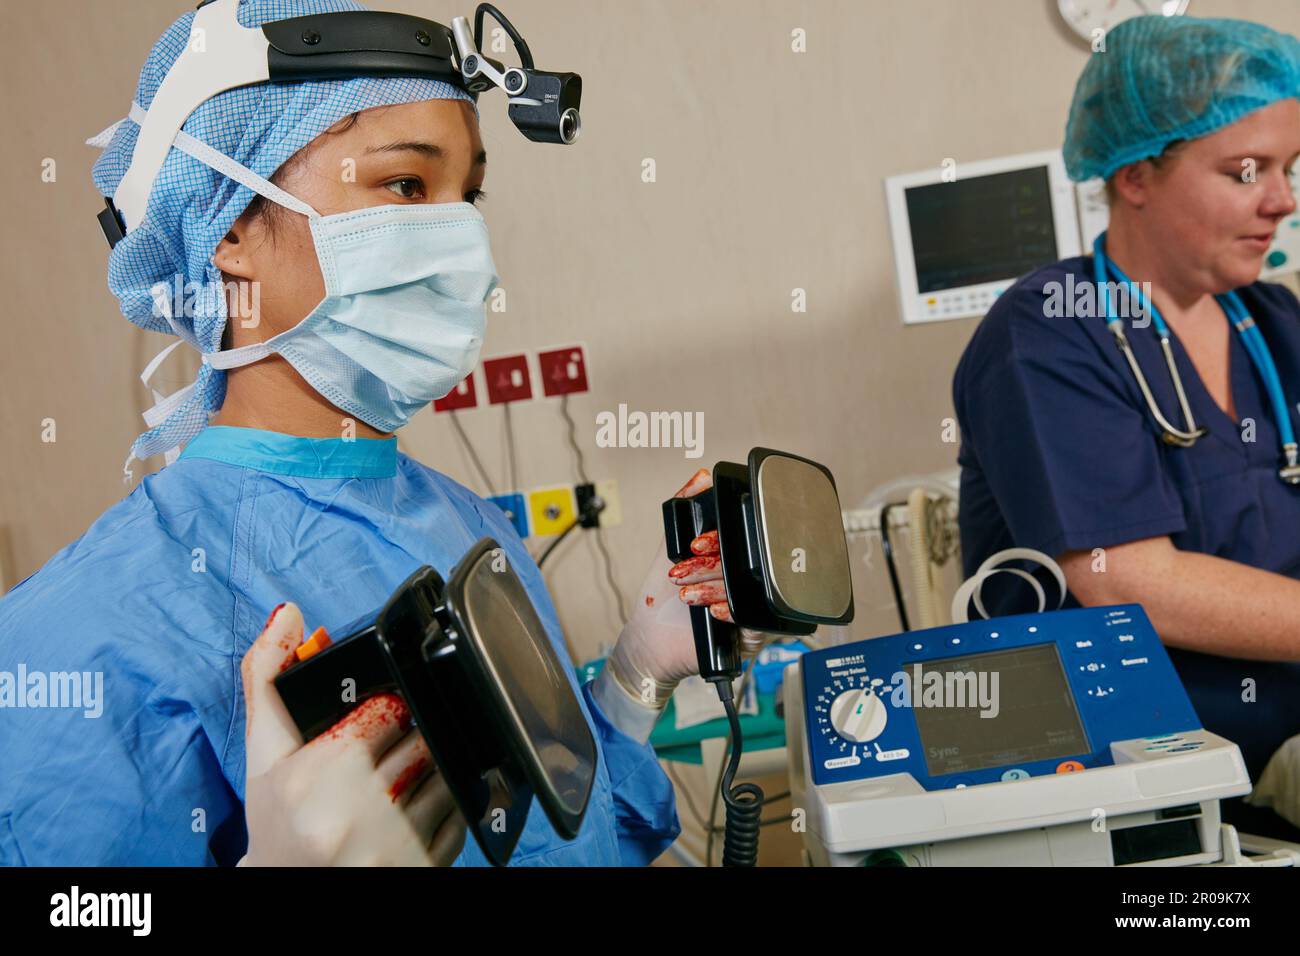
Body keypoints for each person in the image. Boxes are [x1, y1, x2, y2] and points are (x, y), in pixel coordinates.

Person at [0, 0, 738, 866]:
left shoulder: (465, 523)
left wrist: (637, 676)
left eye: (469, 195)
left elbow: (572, 841)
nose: (462, 237)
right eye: (405, 186)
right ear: (231, 225)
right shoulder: (82, 638)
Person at [953, 14, 1300, 839]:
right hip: (1129, 804)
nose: (1283, 200)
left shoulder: (1275, 322)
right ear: (1137, 173)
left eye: (1291, 169)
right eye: (1246, 170)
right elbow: (1124, 576)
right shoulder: (1044, 333)